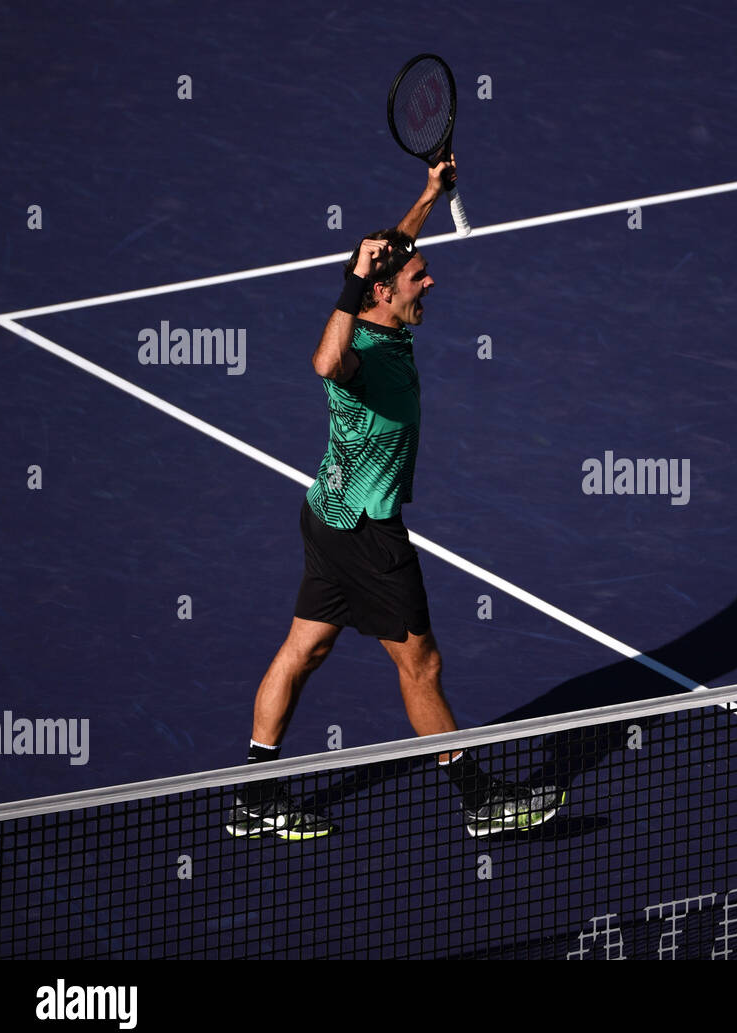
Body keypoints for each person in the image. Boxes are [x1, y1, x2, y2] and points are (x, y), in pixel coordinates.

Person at [227, 159, 563, 840]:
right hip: (369, 537)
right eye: (418, 278)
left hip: (327, 513)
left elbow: (393, 254)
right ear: (379, 292)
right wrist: (355, 278)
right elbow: (324, 361)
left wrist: (428, 196)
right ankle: (479, 801)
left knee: (304, 649)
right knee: (422, 664)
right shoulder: (357, 361)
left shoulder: (382, 312)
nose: (430, 280)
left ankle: (255, 793)